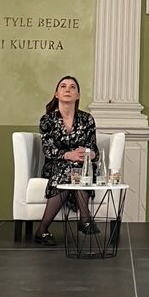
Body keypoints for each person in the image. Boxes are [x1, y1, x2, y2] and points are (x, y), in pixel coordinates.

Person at [34, 75, 100, 246]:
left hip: (82, 166)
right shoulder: (47, 120)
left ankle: (42, 230)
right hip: (55, 166)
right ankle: (85, 218)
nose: (68, 90)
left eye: (72, 87)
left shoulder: (87, 119)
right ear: (56, 94)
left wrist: (89, 154)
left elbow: (94, 150)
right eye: (63, 86)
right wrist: (68, 155)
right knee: (70, 167)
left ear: (78, 95)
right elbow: (48, 150)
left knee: (77, 167)